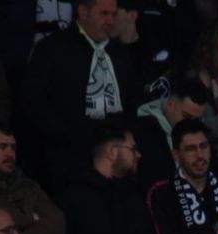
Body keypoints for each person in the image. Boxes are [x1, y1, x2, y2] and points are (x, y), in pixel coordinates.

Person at [20, 0, 138, 190]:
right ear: (83, 12)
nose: (110, 20)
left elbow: (132, 99)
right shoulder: (53, 48)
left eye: (113, 14)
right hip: (66, 162)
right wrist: (66, 136)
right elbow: (33, 99)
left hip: (113, 161)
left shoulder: (120, 53)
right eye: (103, 14)